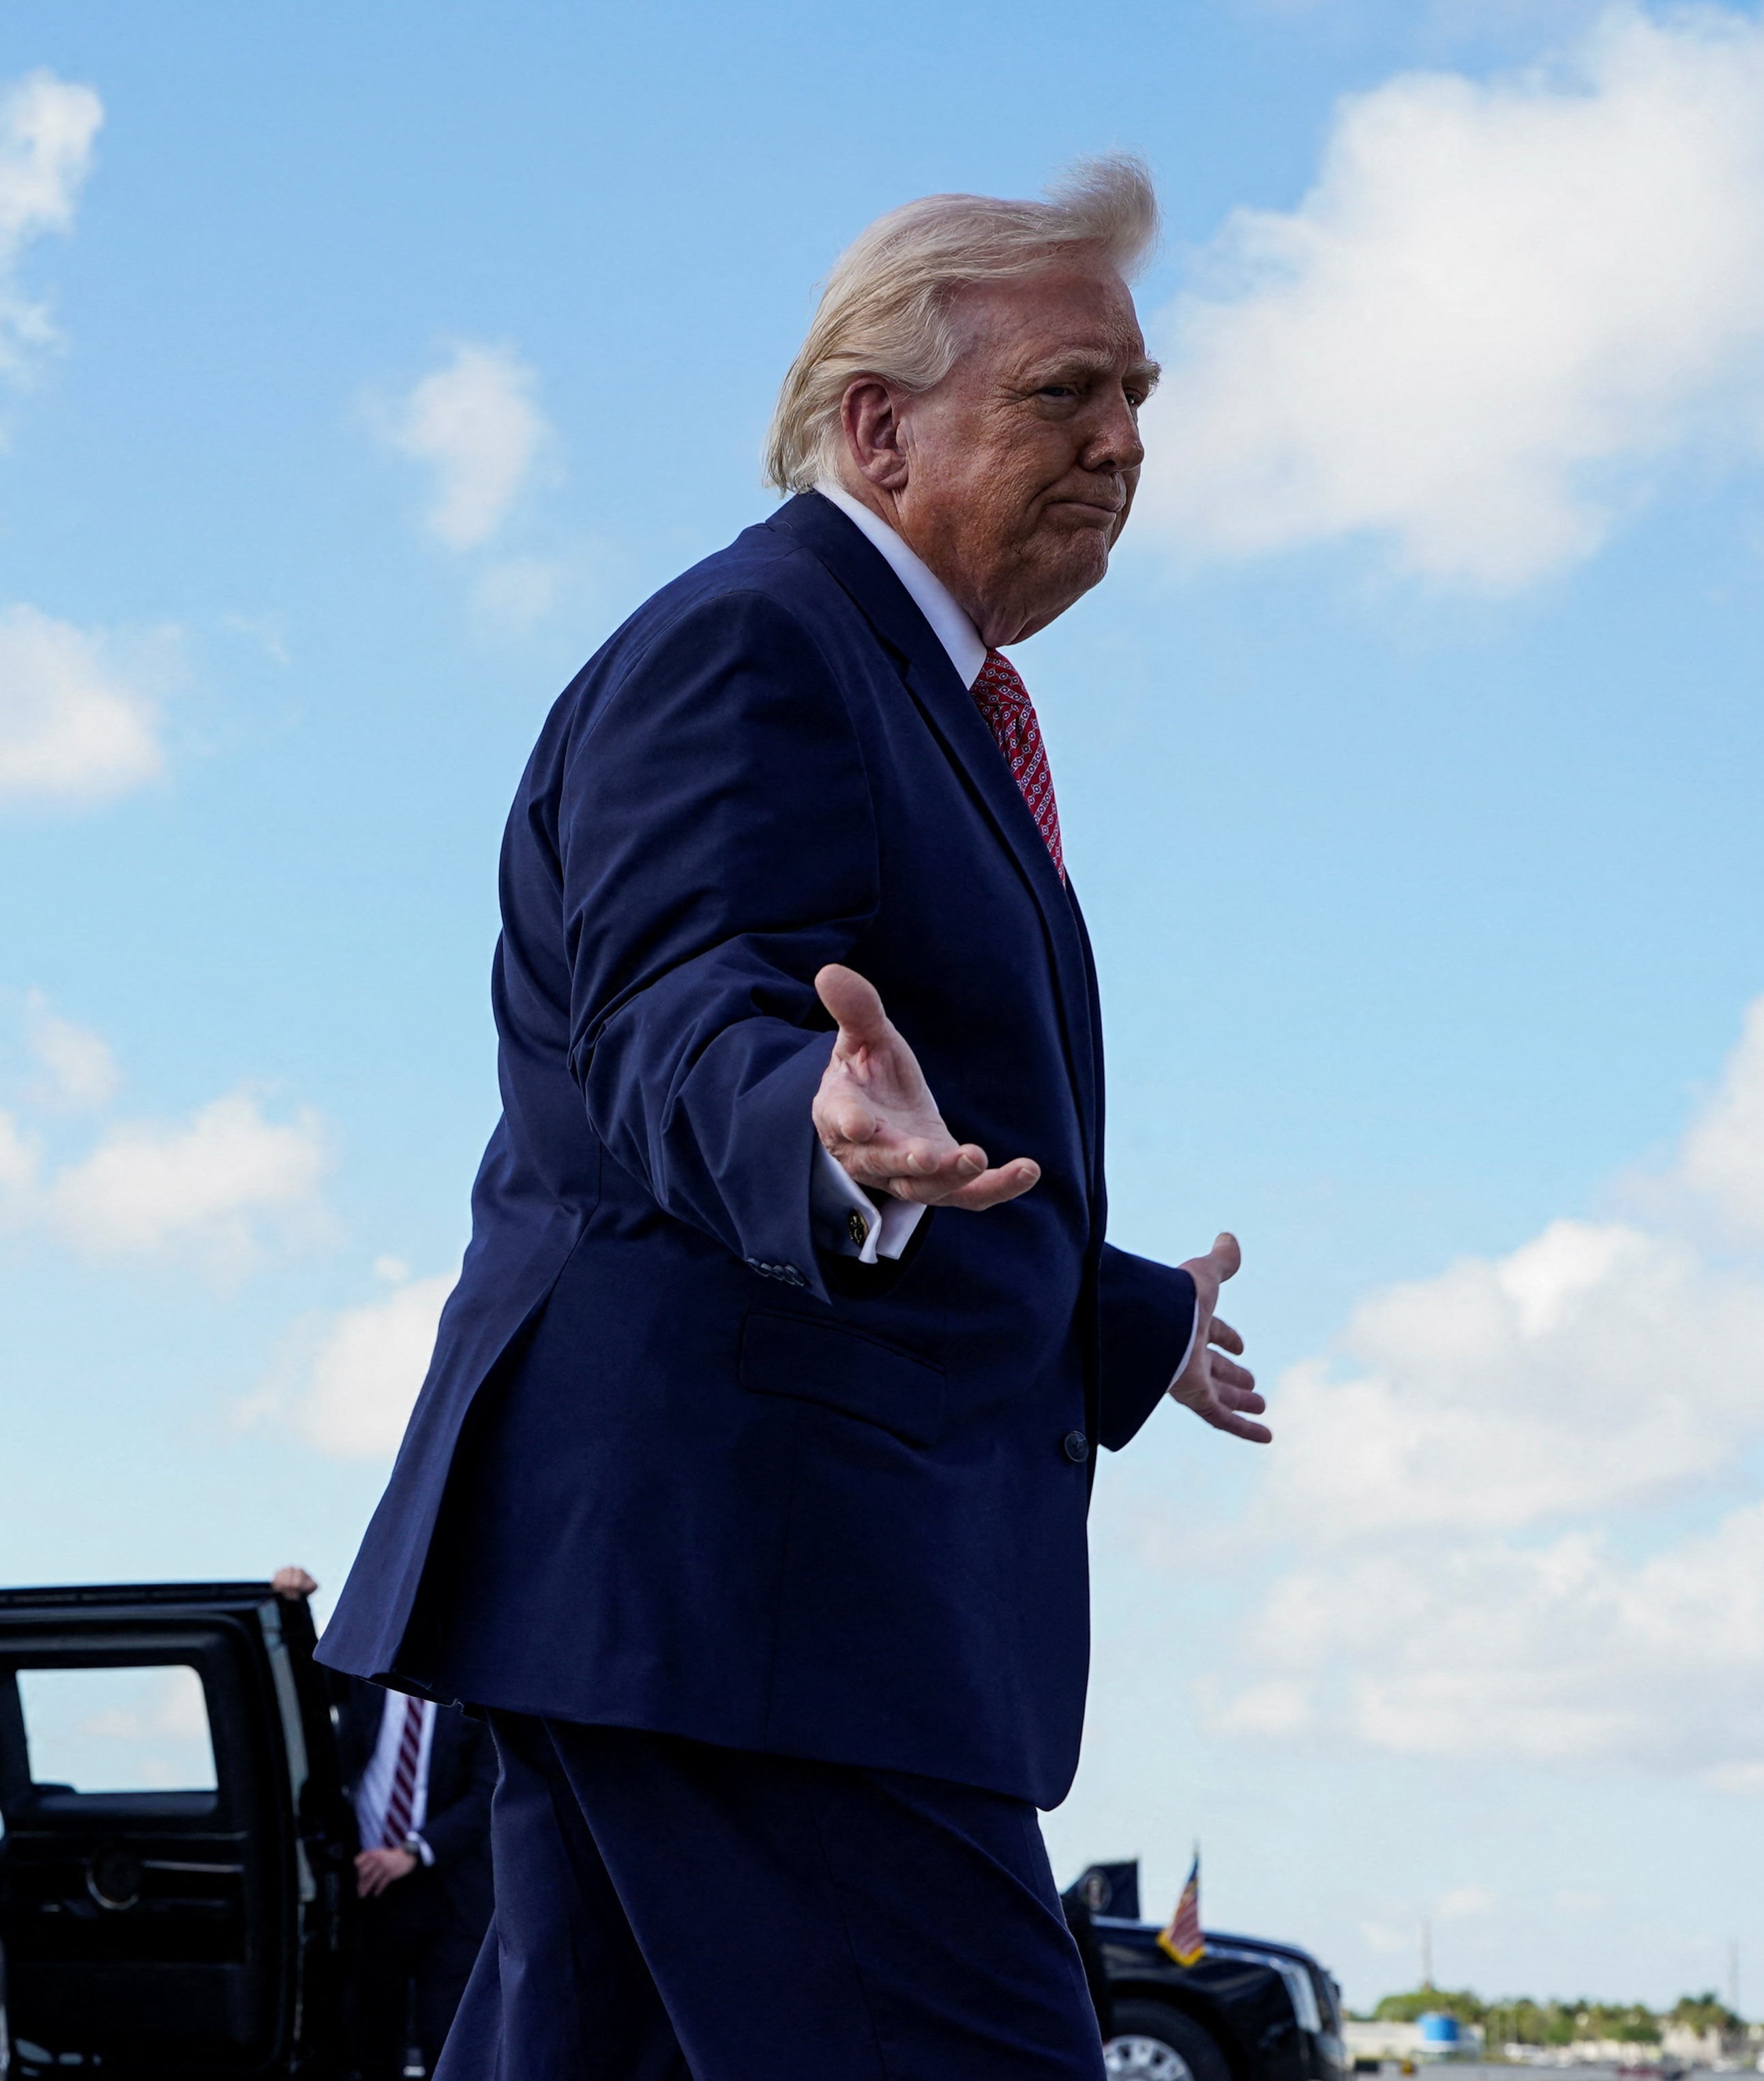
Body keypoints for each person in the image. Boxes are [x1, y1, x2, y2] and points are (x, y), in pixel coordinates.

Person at [315, 157, 1271, 2076]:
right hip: (759, 1588)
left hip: (667, 1583)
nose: (1121, 441)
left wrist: (1111, 1309)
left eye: (1140, 400)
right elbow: (685, 1007)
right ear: (876, 423)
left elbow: (868, 1131)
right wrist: (810, 1138)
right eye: (1065, 393)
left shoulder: (909, 681)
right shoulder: (759, 642)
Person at [279, 1566, 494, 2081]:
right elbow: (303, 1679)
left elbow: (487, 1791)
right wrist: (293, 1608)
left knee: (452, 2046)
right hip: (365, 1888)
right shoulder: (363, 1673)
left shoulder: (478, 1686)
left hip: (450, 1895)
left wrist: (412, 1852)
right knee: (367, 2040)